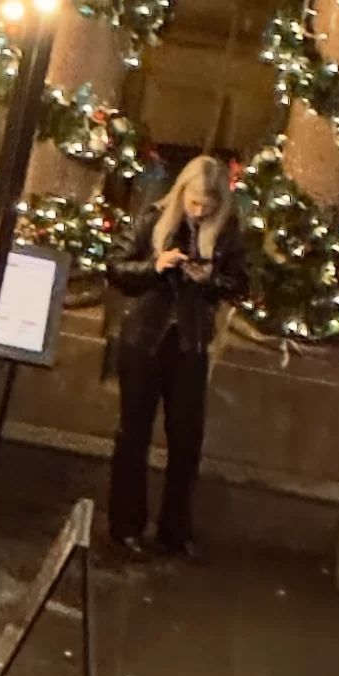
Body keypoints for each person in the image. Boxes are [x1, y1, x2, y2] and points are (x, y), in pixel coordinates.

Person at [106, 154, 246, 559]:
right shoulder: (152, 218)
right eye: (194, 202)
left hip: (190, 342)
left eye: (208, 206)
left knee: (186, 438)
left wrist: (210, 280)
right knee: (133, 433)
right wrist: (156, 266)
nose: (199, 211)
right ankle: (125, 524)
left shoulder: (227, 233)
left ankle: (175, 529)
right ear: (182, 192)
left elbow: (240, 282)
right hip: (145, 338)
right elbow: (117, 267)